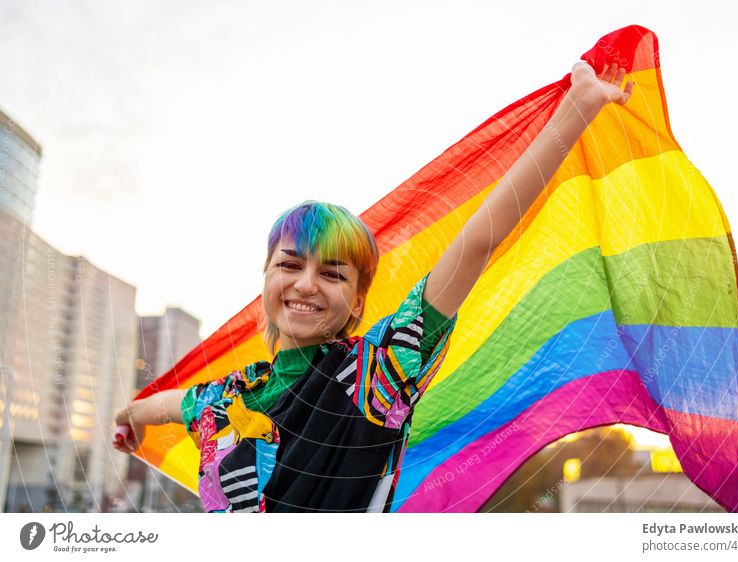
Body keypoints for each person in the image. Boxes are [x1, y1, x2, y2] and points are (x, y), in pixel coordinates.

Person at [113, 61, 634, 512]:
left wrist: (578, 109)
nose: (307, 285)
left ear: (358, 300)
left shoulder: (379, 372)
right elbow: (175, 404)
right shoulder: (232, 395)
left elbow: (476, 243)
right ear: (267, 277)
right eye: (290, 265)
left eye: (334, 273)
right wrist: (132, 417)